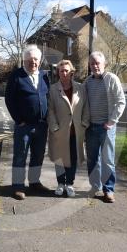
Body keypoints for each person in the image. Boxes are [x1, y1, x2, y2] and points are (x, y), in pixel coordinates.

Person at [4, 45, 51, 200]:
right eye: (30, 60)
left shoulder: (44, 76)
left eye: (36, 59)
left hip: (41, 125)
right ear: (24, 60)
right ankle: (18, 186)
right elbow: (9, 100)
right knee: (20, 156)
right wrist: (19, 120)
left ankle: (34, 182)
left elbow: (48, 97)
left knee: (38, 155)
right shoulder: (16, 76)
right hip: (24, 126)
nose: (33, 63)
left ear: (40, 60)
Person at [84, 51, 126, 203]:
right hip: (91, 128)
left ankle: (108, 190)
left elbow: (121, 101)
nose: (95, 66)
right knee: (92, 160)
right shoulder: (87, 82)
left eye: (97, 63)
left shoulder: (112, 79)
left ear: (104, 64)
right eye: (92, 63)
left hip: (106, 127)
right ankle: (95, 186)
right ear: (89, 65)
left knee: (107, 160)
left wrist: (112, 121)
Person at [47, 60, 89, 197]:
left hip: (76, 131)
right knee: (60, 159)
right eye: (61, 71)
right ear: (58, 73)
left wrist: (84, 123)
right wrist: (54, 127)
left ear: (72, 72)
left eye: (66, 70)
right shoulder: (53, 89)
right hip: (59, 130)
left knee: (72, 158)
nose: (64, 73)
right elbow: (50, 109)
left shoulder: (80, 88)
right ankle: (60, 183)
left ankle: (69, 184)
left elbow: (86, 107)